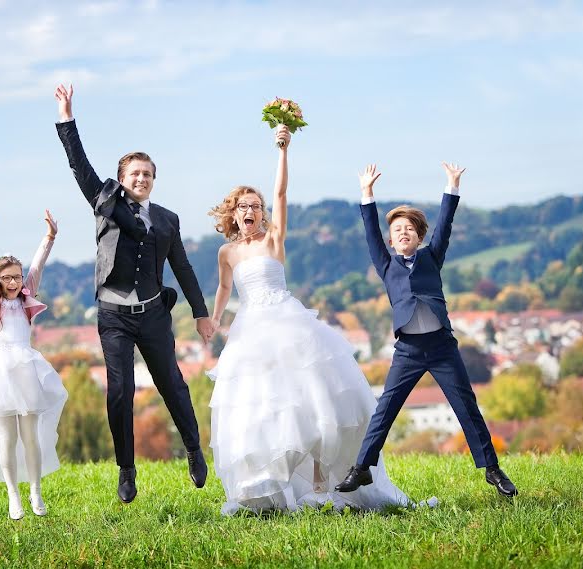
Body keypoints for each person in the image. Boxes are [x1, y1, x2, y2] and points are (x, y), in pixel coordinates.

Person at [206, 126, 413, 515]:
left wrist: (283, 150)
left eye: (255, 205)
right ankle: (268, 485)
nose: (250, 211)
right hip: (250, 333)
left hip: (288, 323)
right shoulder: (227, 253)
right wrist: (214, 320)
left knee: (313, 400)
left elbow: (282, 194)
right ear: (233, 214)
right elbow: (222, 288)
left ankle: (322, 479)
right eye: (243, 206)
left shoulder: (273, 240)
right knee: (265, 408)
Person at [53, 84, 213, 503]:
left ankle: (195, 452)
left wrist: (201, 312)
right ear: (122, 180)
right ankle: (127, 469)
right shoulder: (104, 201)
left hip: (154, 313)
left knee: (173, 385)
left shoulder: (167, 219)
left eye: (147, 174)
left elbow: (182, 267)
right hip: (114, 316)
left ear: (153, 180)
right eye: (134, 174)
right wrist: (67, 118)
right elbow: (79, 165)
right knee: (120, 391)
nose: (141, 179)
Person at [334, 164, 518, 498]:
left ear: (419, 237)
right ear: (391, 240)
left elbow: (445, 225)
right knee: (385, 409)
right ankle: (361, 469)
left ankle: (492, 469)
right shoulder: (386, 264)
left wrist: (452, 186)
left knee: (467, 406)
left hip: (442, 346)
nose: (403, 233)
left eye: (409, 229)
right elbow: (370, 233)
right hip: (409, 350)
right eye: (398, 230)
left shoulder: (431, 257)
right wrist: (367, 194)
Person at [0, 206, 69, 519]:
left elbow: (38, 265)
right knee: (6, 439)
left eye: (17, 276)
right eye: (7, 277)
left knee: (31, 436)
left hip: (26, 369)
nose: (13, 282)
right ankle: (13, 494)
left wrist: (50, 236)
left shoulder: (26, 298)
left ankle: (35, 490)